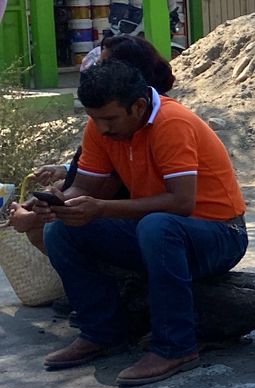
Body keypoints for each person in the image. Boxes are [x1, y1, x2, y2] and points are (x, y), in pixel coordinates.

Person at [29, 60, 248, 387]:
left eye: (109, 119)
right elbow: (85, 187)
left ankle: (176, 347)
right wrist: (58, 203)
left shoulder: (172, 123)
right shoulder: (102, 127)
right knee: (61, 229)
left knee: (157, 226)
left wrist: (100, 208)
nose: (102, 128)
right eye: (94, 119)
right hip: (162, 233)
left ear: (139, 106)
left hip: (221, 235)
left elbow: (181, 203)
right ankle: (102, 332)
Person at [7, 35, 177, 252]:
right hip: (134, 215)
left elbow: (101, 190)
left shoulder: (146, 123)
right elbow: (88, 177)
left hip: (148, 222)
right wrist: (52, 195)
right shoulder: (106, 121)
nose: (96, 71)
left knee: (56, 230)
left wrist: (33, 218)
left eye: (103, 65)